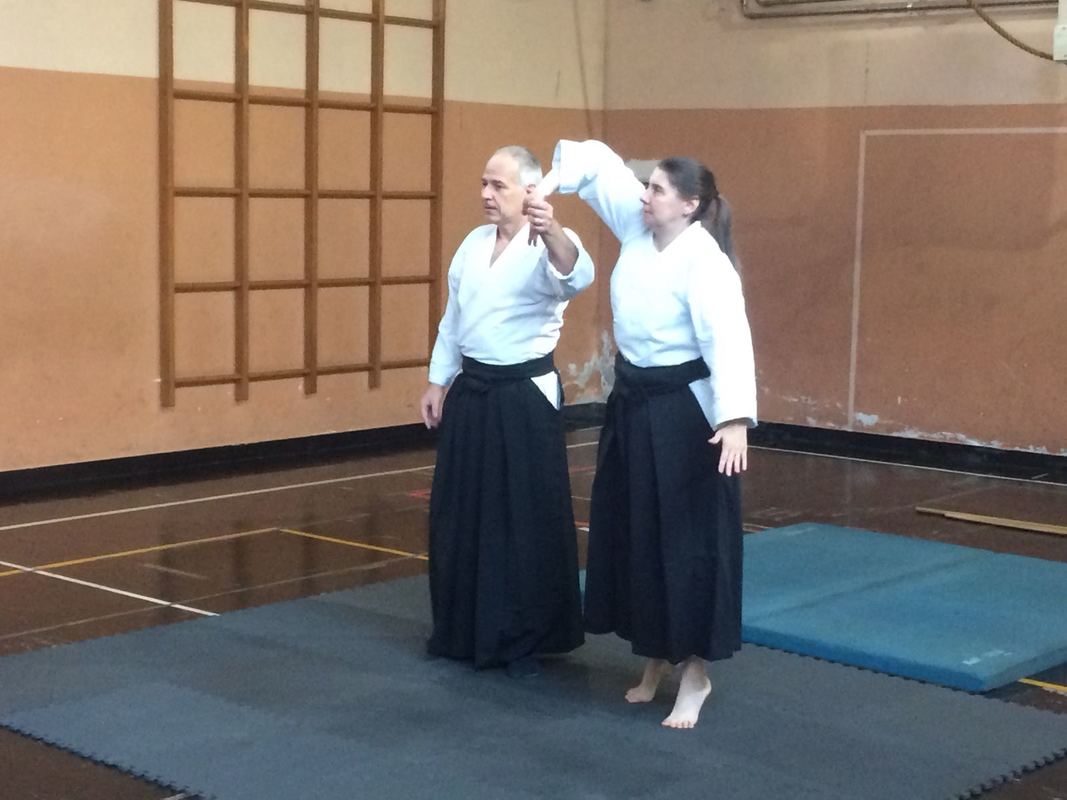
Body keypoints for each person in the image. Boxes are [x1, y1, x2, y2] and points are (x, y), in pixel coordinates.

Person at [534, 140, 756, 727]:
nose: (644, 195)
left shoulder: (706, 262)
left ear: (689, 204)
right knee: (638, 532)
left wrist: (734, 420)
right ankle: (655, 654)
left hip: (686, 414)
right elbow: (594, 162)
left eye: (656, 188)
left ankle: (695, 673)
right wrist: (546, 186)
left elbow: (729, 341)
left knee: (685, 541)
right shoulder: (639, 226)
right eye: (647, 185)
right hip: (633, 404)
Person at [419, 145, 594, 678]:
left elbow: (576, 274)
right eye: (484, 183)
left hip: (524, 397)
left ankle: (524, 636)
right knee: (460, 515)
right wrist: (438, 379)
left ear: (530, 192)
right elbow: (454, 318)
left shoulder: (550, 242)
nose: (486, 194)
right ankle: (461, 629)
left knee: (523, 518)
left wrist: (552, 227)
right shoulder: (472, 244)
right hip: (472, 391)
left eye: (499, 185)